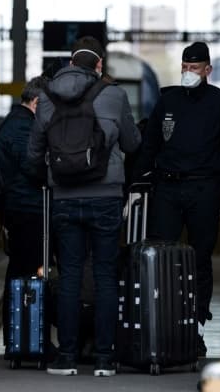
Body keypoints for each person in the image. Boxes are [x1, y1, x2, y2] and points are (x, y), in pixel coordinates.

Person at [26, 36, 141, 377]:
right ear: (100, 65)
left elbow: (33, 151)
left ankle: (66, 357)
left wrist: (44, 177)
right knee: (106, 276)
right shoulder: (115, 94)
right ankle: (105, 359)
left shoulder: (46, 97)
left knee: (71, 275)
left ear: (71, 62)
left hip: (64, 196)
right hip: (106, 196)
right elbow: (133, 143)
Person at [132, 41, 220, 356]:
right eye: (185, 67)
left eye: (194, 68)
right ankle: (162, 323)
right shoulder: (167, 101)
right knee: (159, 257)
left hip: (205, 189)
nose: (188, 73)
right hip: (167, 188)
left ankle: (196, 326)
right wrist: (134, 189)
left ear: (208, 70)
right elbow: (149, 147)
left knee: (199, 260)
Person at [0, 76, 49, 349]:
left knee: (19, 271)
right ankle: (23, 340)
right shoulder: (23, 127)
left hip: (18, 208)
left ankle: (20, 339)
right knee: (26, 272)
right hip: (26, 208)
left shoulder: (13, 122)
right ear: (37, 102)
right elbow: (31, 167)